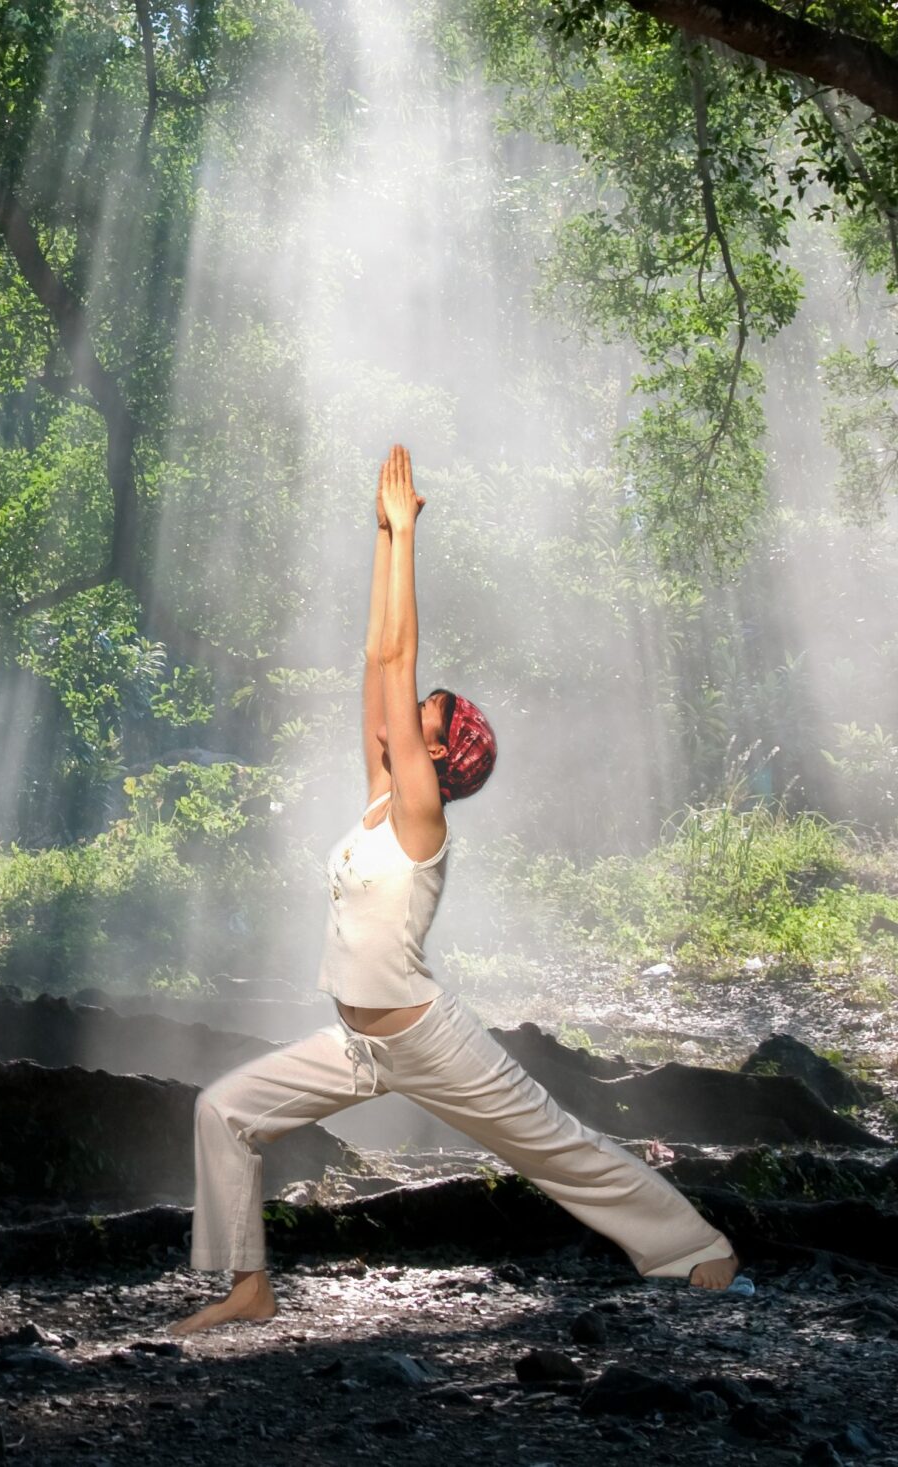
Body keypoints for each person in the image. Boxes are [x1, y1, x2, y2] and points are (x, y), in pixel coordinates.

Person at [169, 444, 739, 1335]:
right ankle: (248, 1284)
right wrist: (383, 542)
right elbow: (376, 662)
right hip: (358, 1043)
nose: (414, 706)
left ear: (439, 753)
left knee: (549, 1142)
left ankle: (697, 1247)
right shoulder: (381, 796)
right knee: (223, 1111)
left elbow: (398, 664)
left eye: (430, 712)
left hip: (429, 1039)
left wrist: (406, 536)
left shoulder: (422, 815)